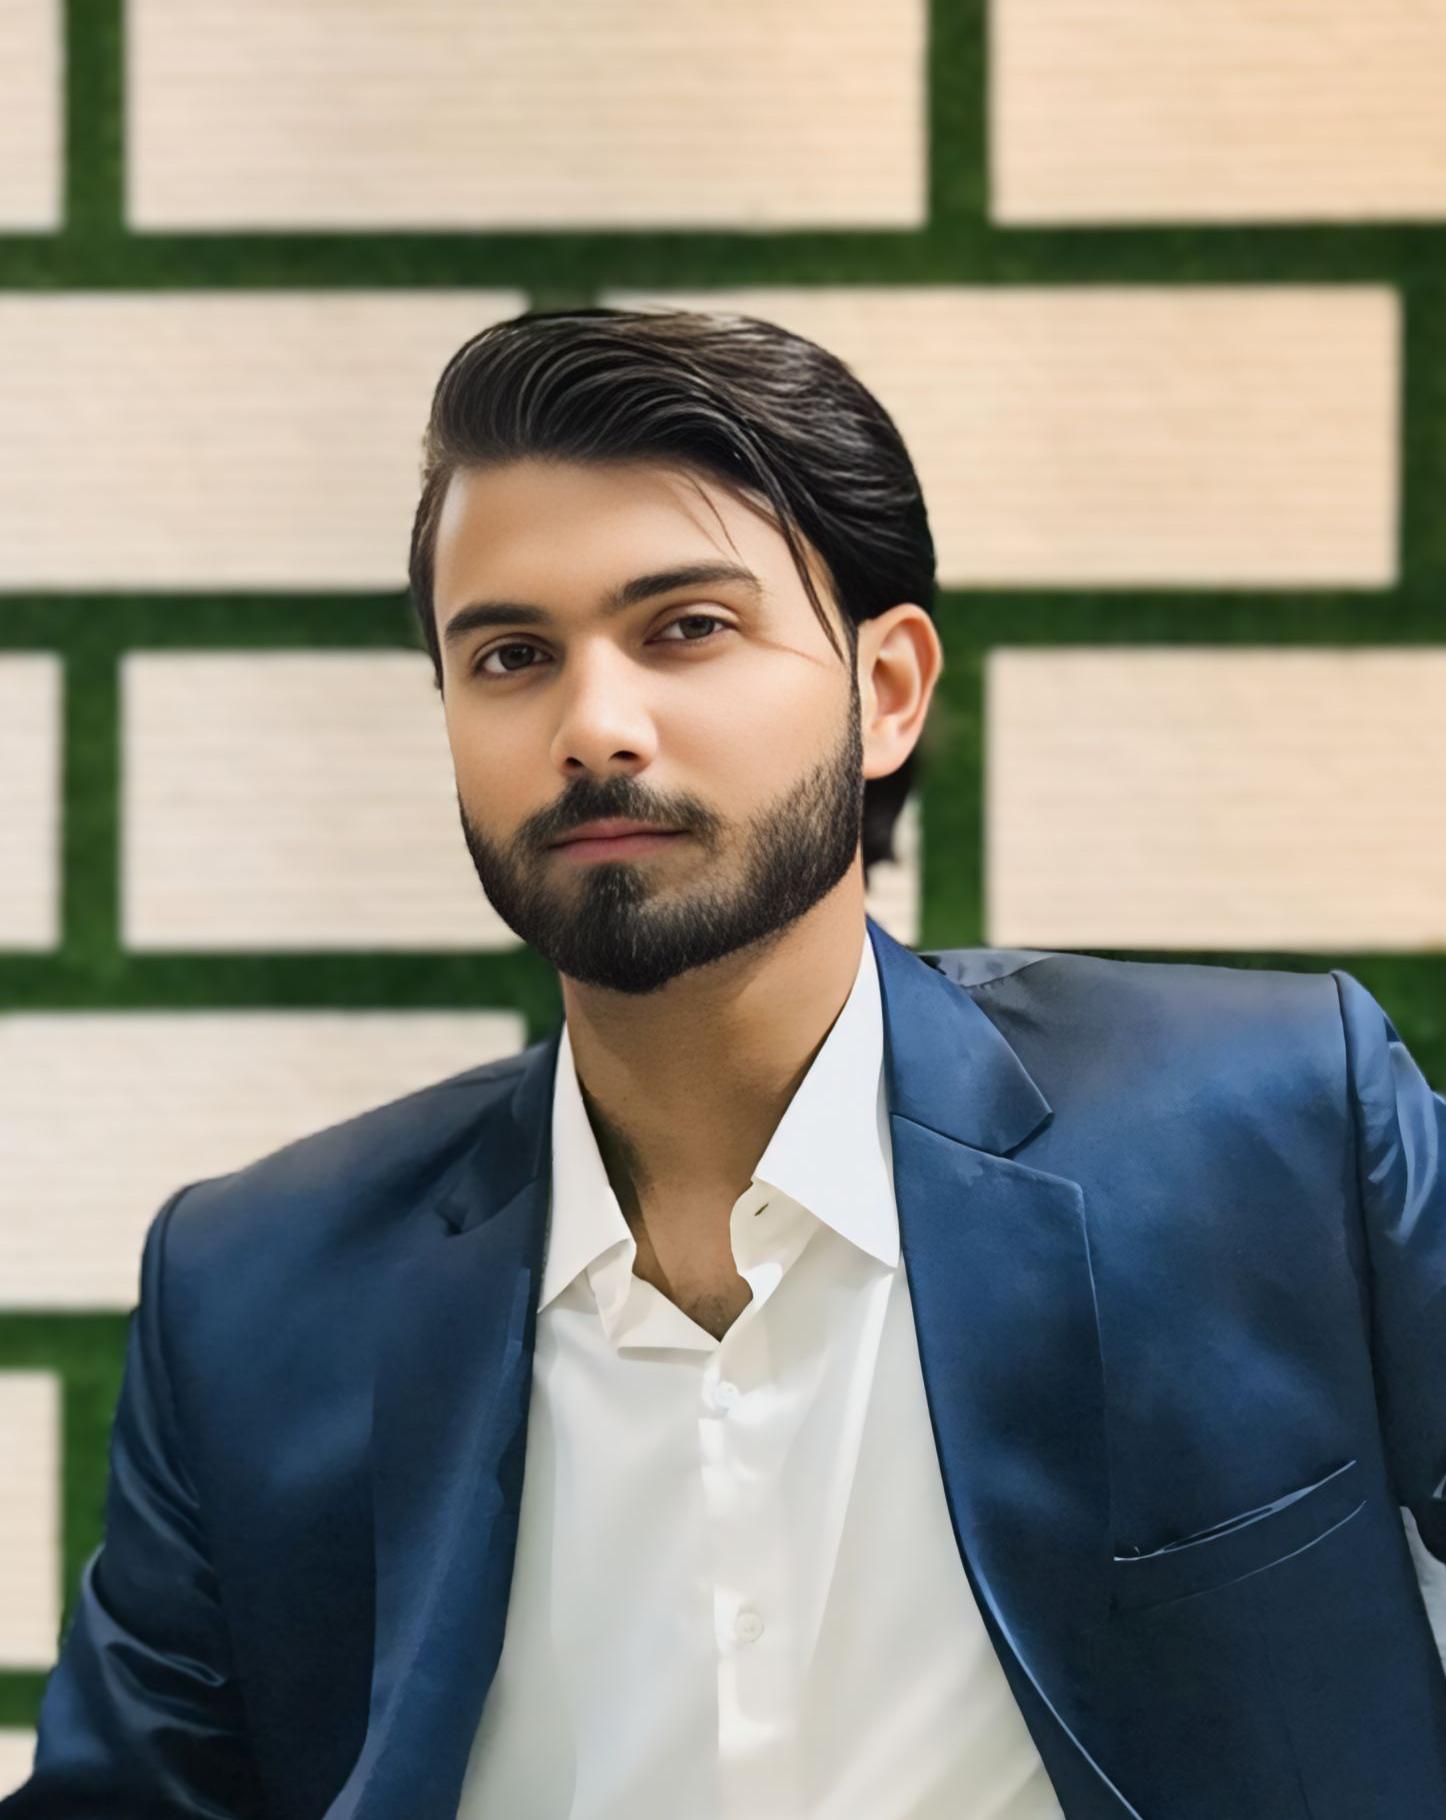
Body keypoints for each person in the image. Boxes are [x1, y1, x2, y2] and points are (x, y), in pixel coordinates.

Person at [5, 307, 1445, 1820]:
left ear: (888, 690)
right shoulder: (252, 1294)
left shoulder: (1276, 1129)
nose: (594, 726)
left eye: (686, 628)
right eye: (510, 655)